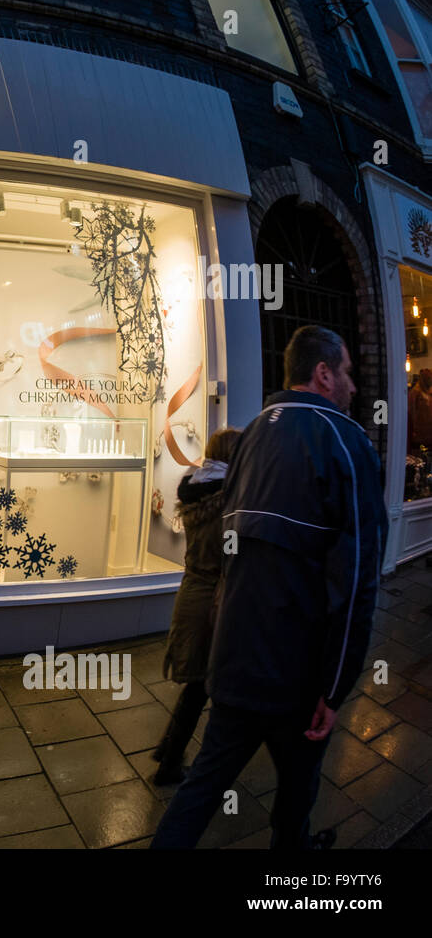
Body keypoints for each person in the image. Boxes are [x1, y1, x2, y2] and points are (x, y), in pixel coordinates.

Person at [151, 326, 387, 850]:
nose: (352, 385)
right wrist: (337, 683)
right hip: (298, 674)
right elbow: (356, 581)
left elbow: (233, 554)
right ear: (323, 374)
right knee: (296, 790)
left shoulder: (254, 432)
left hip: (235, 660)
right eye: (346, 372)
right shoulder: (348, 442)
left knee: (201, 790)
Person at [152, 426, 242, 786]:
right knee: (201, 686)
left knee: (197, 683)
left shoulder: (195, 488)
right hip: (212, 600)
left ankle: (166, 749)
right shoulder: (229, 499)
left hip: (192, 590)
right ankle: (169, 765)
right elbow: (231, 554)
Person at [409, 368, 432, 450]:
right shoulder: (415, 394)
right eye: (428, 379)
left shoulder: (429, 393)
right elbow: (412, 413)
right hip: (418, 436)